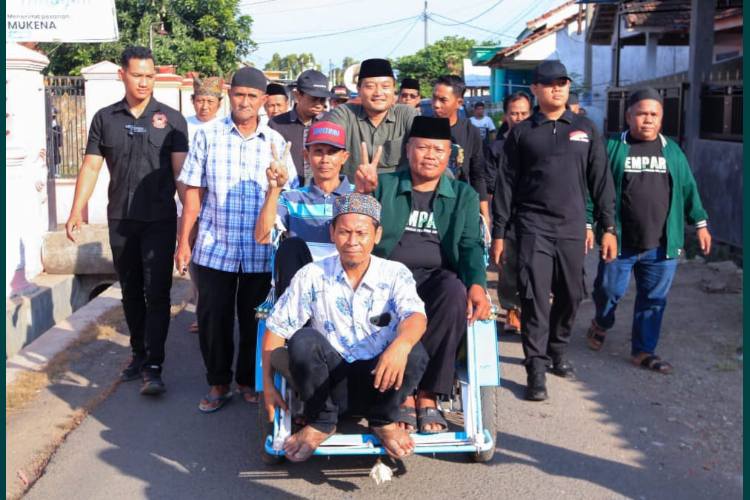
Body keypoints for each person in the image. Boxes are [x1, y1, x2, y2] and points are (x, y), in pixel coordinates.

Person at [262, 193, 429, 461]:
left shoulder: (395, 273)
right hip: (326, 385)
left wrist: (400, 346)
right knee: (303, 340)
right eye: (344, 232)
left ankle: (383, 420)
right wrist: (268, 387)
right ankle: (320, 422)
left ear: (376, 235)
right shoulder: (312, 275)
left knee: (415, 351)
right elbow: (276, 329)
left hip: (380, 381)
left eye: (361, 233)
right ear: (332, 233)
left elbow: (416, 317)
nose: (352, 241)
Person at [65, 46, 189, 396]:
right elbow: (91, 166)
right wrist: (76, 209)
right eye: (138, 75)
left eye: (150, 76)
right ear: (123, 74)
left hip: (160, 220)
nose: (145, 82)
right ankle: (137, 354)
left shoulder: (172, 120)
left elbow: (182, 177)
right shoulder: (106, 118)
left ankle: (155, 365)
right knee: (131, 292)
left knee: (158, 292)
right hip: (120, 219)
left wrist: (189, 230)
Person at [490, 60, 617, 402]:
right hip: (533, 227)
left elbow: (601, 180)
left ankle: (557, 348)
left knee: (572, 294)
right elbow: (505, 184)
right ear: (535, 90)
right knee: (534, 297)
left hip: (573, 227)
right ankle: (535, 366)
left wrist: (608, 226)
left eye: (562, 83)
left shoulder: (585, 128)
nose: (557, 88)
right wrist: (499, 232)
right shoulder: (522, 132)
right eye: (549, 84)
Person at [356, 115, 491, 433]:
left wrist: (478, 285)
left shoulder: (463, 195)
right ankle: (403, 394)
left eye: (439, 150)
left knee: (454, 292)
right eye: (423, 148)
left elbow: (471, 245)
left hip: (435, 278)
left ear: (449, 155)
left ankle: (429, 394)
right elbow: (357, 228)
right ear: (408, 150)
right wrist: (363, 193)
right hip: (386, 276)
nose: (430, 155)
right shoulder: (385, 185)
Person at [175, 66, 297, 412]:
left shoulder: (276, 142)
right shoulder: (208, 136)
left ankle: (247, 380)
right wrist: (184, 242)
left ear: (262, 101)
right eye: (239, 94)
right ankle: (218, 383)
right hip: (215, 246)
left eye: (252, 97)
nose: (244, 102)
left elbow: (288, 195)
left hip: (260, 252)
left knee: (253, 320)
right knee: (213, 320)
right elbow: (194, 194)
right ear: (229, 94)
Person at [586, 88, 711, 374]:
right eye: (641, 113)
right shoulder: (613, 147)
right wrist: (590, 224)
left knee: (653, 299)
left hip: (661, 244)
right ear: (628, 116)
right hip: (619, 241)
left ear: (662, 118)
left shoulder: (672, 150)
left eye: (654, 114)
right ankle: (602, 322)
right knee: (608, 290)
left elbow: (688, 189)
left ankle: (643, 350)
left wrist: (701, 223)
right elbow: (595, 189)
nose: (648, 120)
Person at [255, 120, 353, 296]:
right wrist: (275, 189)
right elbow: (263, 236)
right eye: (318, 152)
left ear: (344, 157)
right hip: (299, 294)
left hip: (343, 292)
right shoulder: (291, 198)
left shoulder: (357, 197)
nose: (325, 160)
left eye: (332, 152)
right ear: (306, 156)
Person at [487, 91, 532, 333]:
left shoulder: (541, 140)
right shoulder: (497, 147)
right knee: (508, 263)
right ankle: (511, 309)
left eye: (524, 113)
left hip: (535, 213)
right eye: (514, 113)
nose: (519, 118)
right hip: (507, 213)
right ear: (506, 116)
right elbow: (492, 183)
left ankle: (531, 310)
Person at [327, 58, 417, 178]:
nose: (378, 93)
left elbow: (426, 146)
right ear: (359, 90)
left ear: (394, 88)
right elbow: (325, 149)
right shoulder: (344, 113)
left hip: (395, 194)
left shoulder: (407, 114)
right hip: (353, 193)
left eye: (385, 86)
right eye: (370, 87)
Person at [183, 76, 224, 334]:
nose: (204, 106)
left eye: (210, 101)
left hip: (217, 206)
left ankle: (218, 308)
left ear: (220, 103)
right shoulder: (182, 126)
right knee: (195, 260)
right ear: (192, 101)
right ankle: (202, 309)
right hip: (188, 203)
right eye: (200, 101)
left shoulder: (224, 127)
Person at [431, 75, 490, 222]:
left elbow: (477, 176)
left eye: (443, 100)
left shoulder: (471, 132)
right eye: (434, 98)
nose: (436, 105)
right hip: (427, 205)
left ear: (459, 103)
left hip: (458, 206)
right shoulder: (423, 129)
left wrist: (485, 216)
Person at [269, 70, 330, 186]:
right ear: (298, 95)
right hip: (286, 191)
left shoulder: (330, 122)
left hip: (321, 194)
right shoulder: (277, 124)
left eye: (322, 99)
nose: (318, 104)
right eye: (314, 98)